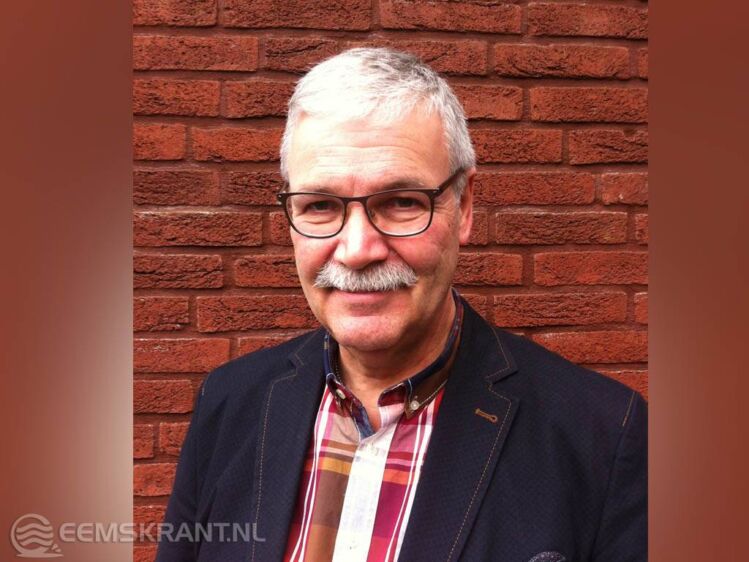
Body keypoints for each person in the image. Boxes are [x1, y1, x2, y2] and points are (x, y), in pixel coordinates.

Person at [156, 48, 646, 562]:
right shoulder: (229, 403)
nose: (357, 250)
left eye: (401, 202)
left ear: (464, 207)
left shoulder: (603, 438)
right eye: (320, 205)